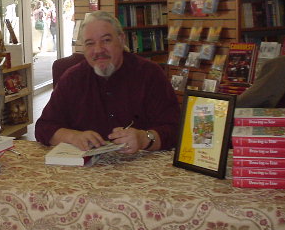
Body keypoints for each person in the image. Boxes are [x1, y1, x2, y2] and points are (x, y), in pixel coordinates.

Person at [35, 10, 180, 154]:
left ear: (121, 40)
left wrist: (144, 139)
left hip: (142, 169)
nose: (98, 50)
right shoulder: (72, 79)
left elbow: (175, 129)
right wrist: (73, 137)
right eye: (90, 43)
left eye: (106, 40)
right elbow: (44, 128)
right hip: (85, 171)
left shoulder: (150, 74)